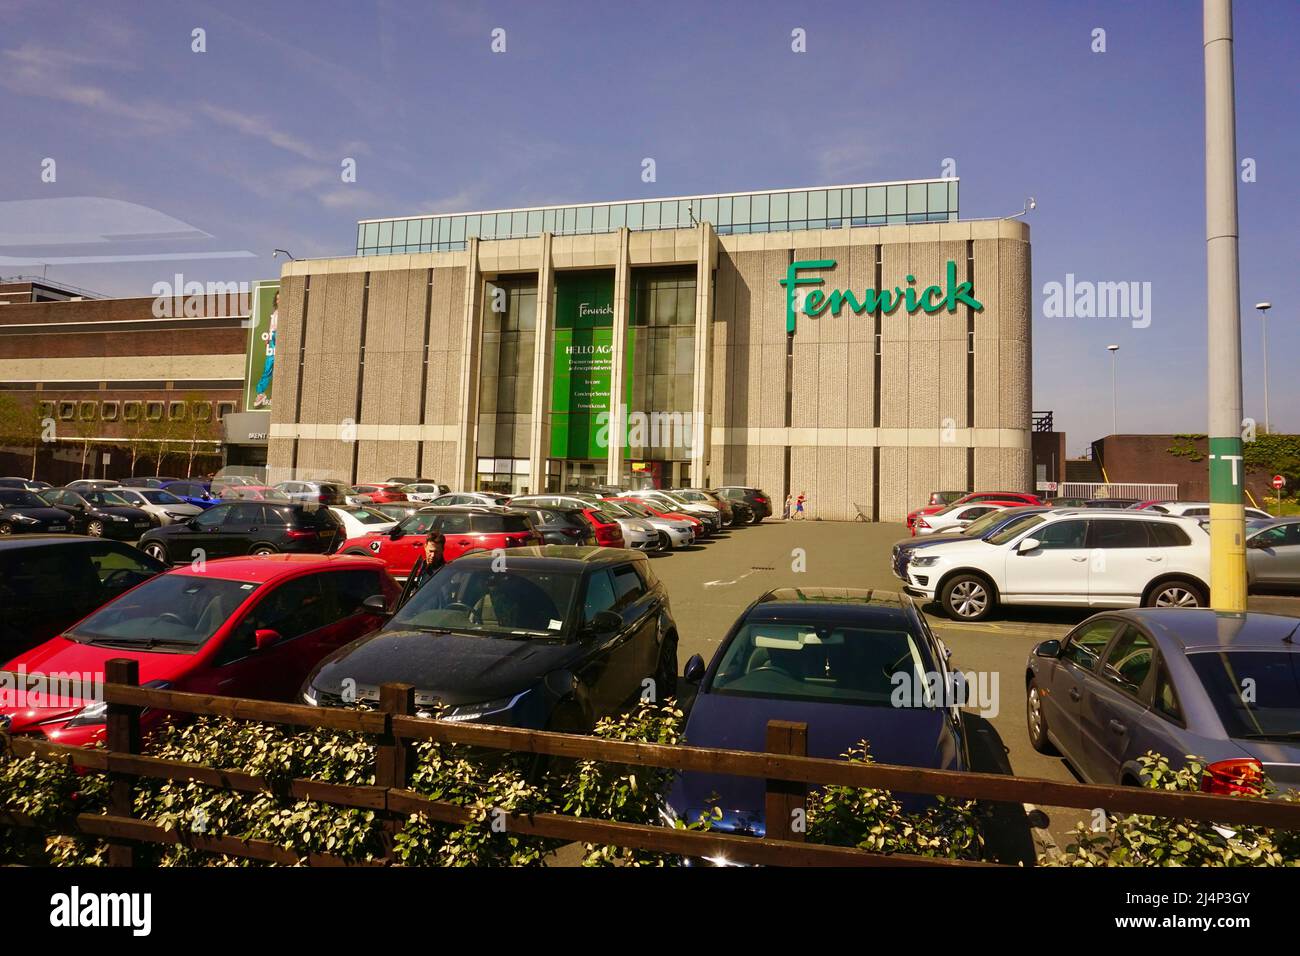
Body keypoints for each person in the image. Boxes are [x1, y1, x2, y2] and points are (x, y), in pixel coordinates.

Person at [397, 531, 446, 608]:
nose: (432, 555)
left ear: (442, 550)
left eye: (436, 552)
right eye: (431, 551)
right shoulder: (423, 564)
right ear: (425, 547)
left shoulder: (444, 572)